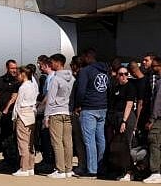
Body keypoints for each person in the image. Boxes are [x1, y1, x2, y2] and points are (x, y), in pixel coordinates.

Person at [75, 48, 109, 179]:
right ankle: (100, 167)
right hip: (103, 107)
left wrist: (78, 105)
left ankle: (92, 170)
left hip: (89, 108)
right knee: (100, 139)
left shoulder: (85, 71)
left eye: (84, 57)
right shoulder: (105, 70)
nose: (82, 59)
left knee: (89, 141)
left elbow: (81, 90)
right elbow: (108, 88)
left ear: (88, 57)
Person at [45, 53, 75, 179]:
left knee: (57, 142)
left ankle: (60, 169)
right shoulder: (72, 78)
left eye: (52, 62)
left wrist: (46, 116)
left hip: (56, 112)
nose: (51, 65)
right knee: (68, 142)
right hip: (67, 112)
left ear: (58, 63)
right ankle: (68, 169)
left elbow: (50, 99)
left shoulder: (55, 79)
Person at [107, 66, 136, 181]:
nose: (123, 76)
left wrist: (124, 121)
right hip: (116, 117)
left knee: (126, 145)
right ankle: (122, 170)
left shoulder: (130, 87)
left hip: (127, 117)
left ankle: (130, 172)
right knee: (119, 146)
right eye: (121, 74)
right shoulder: (116, 87)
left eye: (125, 73)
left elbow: (129, 104)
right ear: (117, 76)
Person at [0, 59, 20, 169]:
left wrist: (7, 109)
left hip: (12, 113)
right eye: (12, 68)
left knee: (12, 138)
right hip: (1, 114)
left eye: (15, 68)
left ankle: (13, 160)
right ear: (7, 68)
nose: (14, 70)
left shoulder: (18, 82)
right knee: (3, 136)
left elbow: (15, 97)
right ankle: (6, 158)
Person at [11, 66, 38, 177]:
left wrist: (14, 117)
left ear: (23, 74)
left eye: (18, 74)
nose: (17, 76)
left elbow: (18, 103)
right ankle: (31, 167)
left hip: (22, 114)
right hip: (31, 114)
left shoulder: (23, 87)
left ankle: (24, 168)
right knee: (30, 143)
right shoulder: (33, 85)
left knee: (22, 142)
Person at [145, 56, 161, 184]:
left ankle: (156, 172)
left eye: (155, 66)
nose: (153, 68)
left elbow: (157, 102)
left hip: (158, 119)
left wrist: (152, 119)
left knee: (154, 143)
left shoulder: (160, 82)